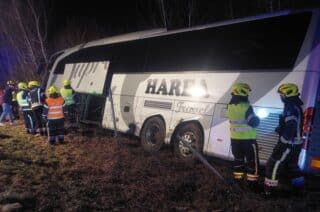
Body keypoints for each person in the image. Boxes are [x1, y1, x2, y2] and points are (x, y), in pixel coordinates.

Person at [264, 83, 304, 196]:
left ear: (288, 94)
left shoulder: (290, 107)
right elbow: (292, 124)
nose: (281, 96)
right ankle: (299, 190)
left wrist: (282, 142)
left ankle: (269, 192)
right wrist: (280, 128)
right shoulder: (295, 105)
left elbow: (291, 127)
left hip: (289, 144)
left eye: (282, 94)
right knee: (292, 166)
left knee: (273, 164)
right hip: (296, 144)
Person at [226, 83, 260, 185]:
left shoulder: (230, 107)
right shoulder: (246, 107)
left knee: (238, 160)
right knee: (252, 162)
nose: (248, 96)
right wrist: (258, 119)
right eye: (247, 94)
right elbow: (253, 122)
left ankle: (238, 181)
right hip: (248, 140)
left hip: (235, 140)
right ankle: (252, 184)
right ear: (243, 93)